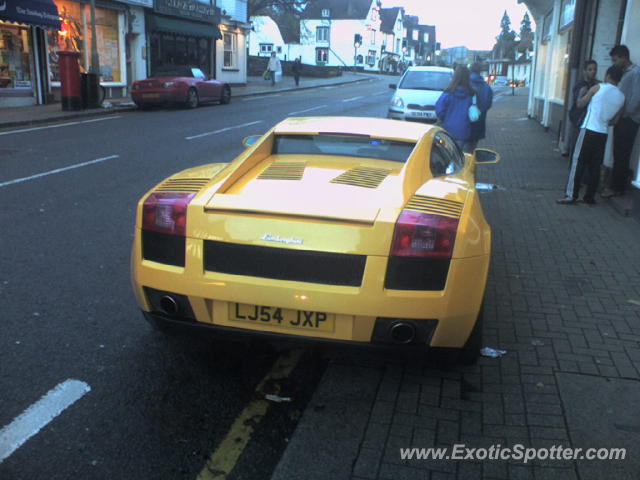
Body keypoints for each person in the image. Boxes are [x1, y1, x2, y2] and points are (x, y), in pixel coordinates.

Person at [557, 66, 625, 205]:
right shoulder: (622, 97)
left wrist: (582, 94)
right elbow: (614, 121)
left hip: (588, 129)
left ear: (607, 76)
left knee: (578, 163)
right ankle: (589, 197)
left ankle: (571, 195)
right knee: (595, 166)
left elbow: (580, 104)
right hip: (603, 133)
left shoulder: (598, 87)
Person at [601, 45, 640, 198]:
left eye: (615, 60)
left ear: (623, 57)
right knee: (618, 153)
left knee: (622, 153)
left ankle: (617, 187)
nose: (614, 63)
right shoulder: (625, 73)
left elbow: (636, 97)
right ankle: (617, 186)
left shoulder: (635, 73)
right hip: (622, 118)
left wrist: (624, 114)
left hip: (628, 119)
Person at [435, 65, 476, 151]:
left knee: (448, 154)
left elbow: (439, 109)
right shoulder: (472, 94)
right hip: (464, 130)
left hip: (448, 129)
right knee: (459, 154)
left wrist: (445, 118)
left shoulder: (448, 93)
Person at [568, 60, 599, 157]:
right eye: (590, 69)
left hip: (590, 121)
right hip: (579, 120)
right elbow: (579, 104)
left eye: (594, 69)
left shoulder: (596, 84)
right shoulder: (580, 85)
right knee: (577, 148)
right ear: (584, 71)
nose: (593, 72)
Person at [467, 63, 494, 153]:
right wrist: (480, 111)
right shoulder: (486, 87)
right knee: (472, 147)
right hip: (479, 120)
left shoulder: (465, 84)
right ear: (480, 72)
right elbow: (488, 104)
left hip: (465, 120)